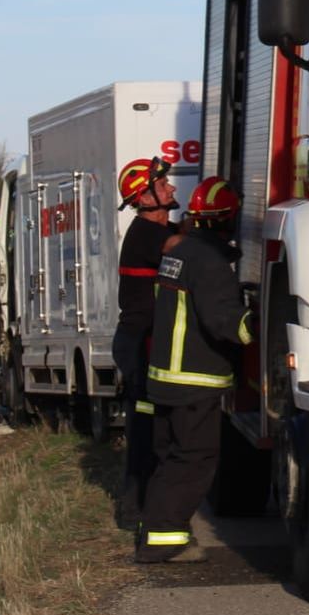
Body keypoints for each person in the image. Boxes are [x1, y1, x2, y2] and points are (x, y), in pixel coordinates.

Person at [135, 176, 253, 564]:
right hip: (193, 380)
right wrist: (263, 321)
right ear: (227, 219)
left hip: (165, 377)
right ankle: (162, 541)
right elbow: (226, 322)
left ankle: (152, 529)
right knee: (194, 459)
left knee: (171, 458)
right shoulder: (211, 263)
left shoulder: (179, 253)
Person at [112, 156, 180, 529]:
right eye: (163, 184)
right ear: (145, 196)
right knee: (146, 433)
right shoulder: (147, 235)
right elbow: (185, 246)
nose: (171, 188)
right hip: (139, 346)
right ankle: (134, 511)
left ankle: (143, 507)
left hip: (143, 343)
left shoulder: (157, 231)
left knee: (153, 431)